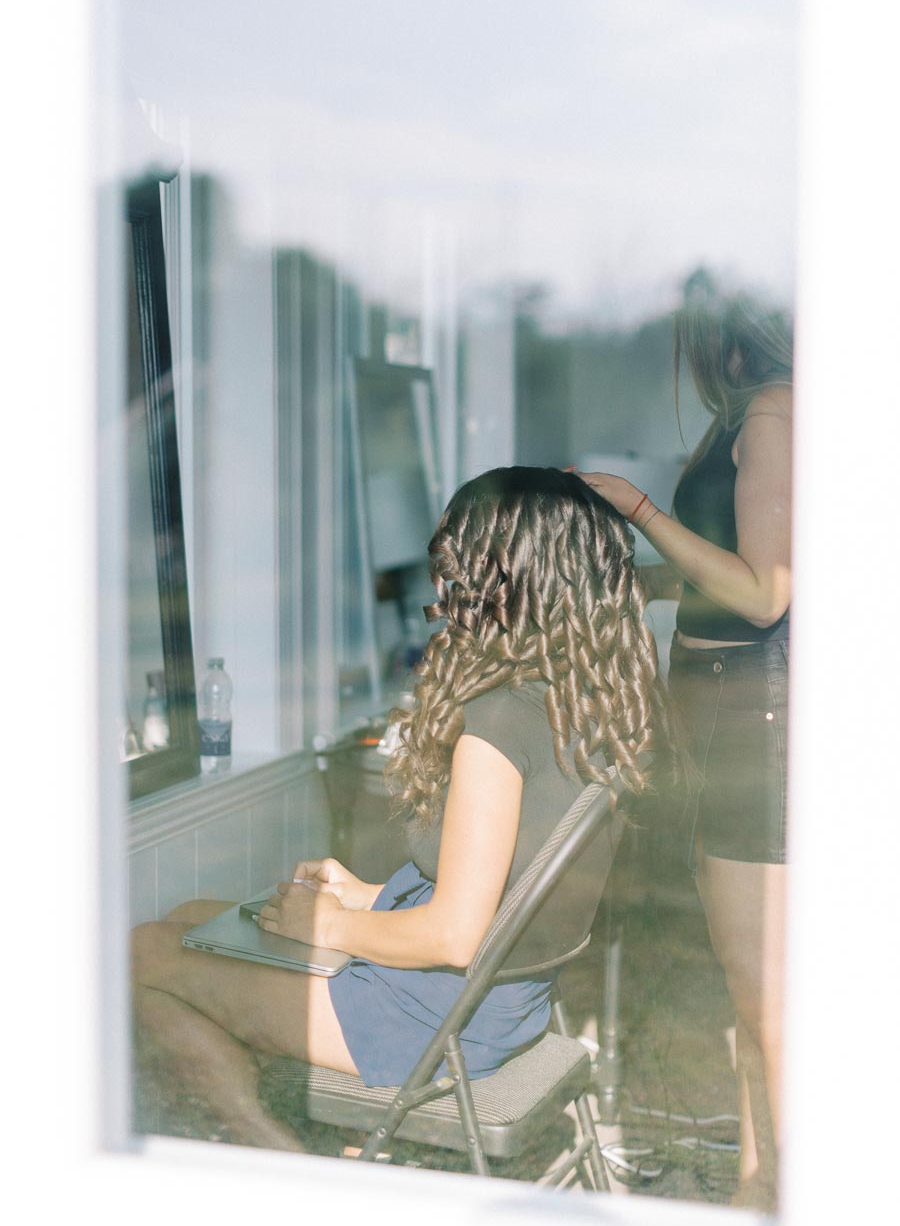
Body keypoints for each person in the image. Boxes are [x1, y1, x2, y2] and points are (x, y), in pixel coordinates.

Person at [132, 466, 666, 1152]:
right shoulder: (582, 702)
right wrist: (362, 895)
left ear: (500, 579)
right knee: (189, 923)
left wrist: (332, 923)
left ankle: (283, 1166)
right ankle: (281, 1127)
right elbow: (507, 882)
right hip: (501, 1003)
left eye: (458, 562)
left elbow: (453, 937)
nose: (444, 584)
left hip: (432, 1018)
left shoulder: (499, 724)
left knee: (143, 953)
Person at [578, 294, 791, 1211]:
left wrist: (638, 509)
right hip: (719, 717)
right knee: (753, 999)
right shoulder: (756, 414)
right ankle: (758, 1183)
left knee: (769, 1002)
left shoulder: (777, 414)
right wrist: (645, 575)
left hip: (754, 724)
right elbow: (734, 568)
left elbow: (764, 594)